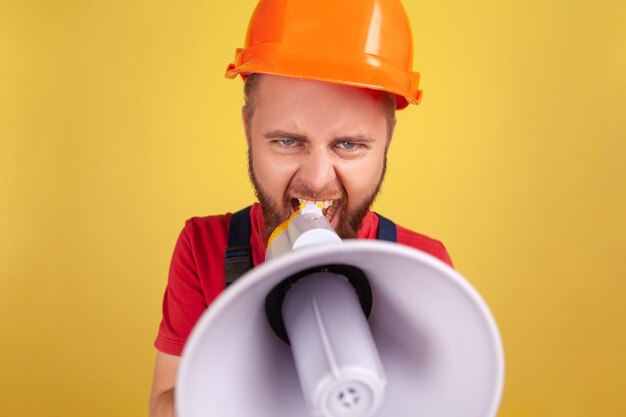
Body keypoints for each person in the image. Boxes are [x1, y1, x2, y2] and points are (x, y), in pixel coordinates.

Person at [149, 1, 453, 416]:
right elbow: (163, 405)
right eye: (287, 141)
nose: (316, 178)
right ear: (248, 129)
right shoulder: (205, 249)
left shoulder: (424, 266)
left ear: (387, 139)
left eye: (349, 145)